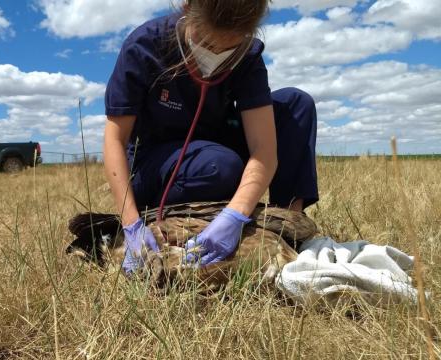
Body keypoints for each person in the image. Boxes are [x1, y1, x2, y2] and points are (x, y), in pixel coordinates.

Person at [103, 0, 318, 273]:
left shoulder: (248, 56)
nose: (216, 54)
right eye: (205, 41)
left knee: (296, 104)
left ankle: (289, 227)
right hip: (157, 163)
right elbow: (114, 140)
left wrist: (236, 214)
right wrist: (131, 223)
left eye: (230, 48)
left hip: (216, 146)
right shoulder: (145, 46)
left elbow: (264, 148)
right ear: (185, 7)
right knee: (219, 164)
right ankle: (176, 213)